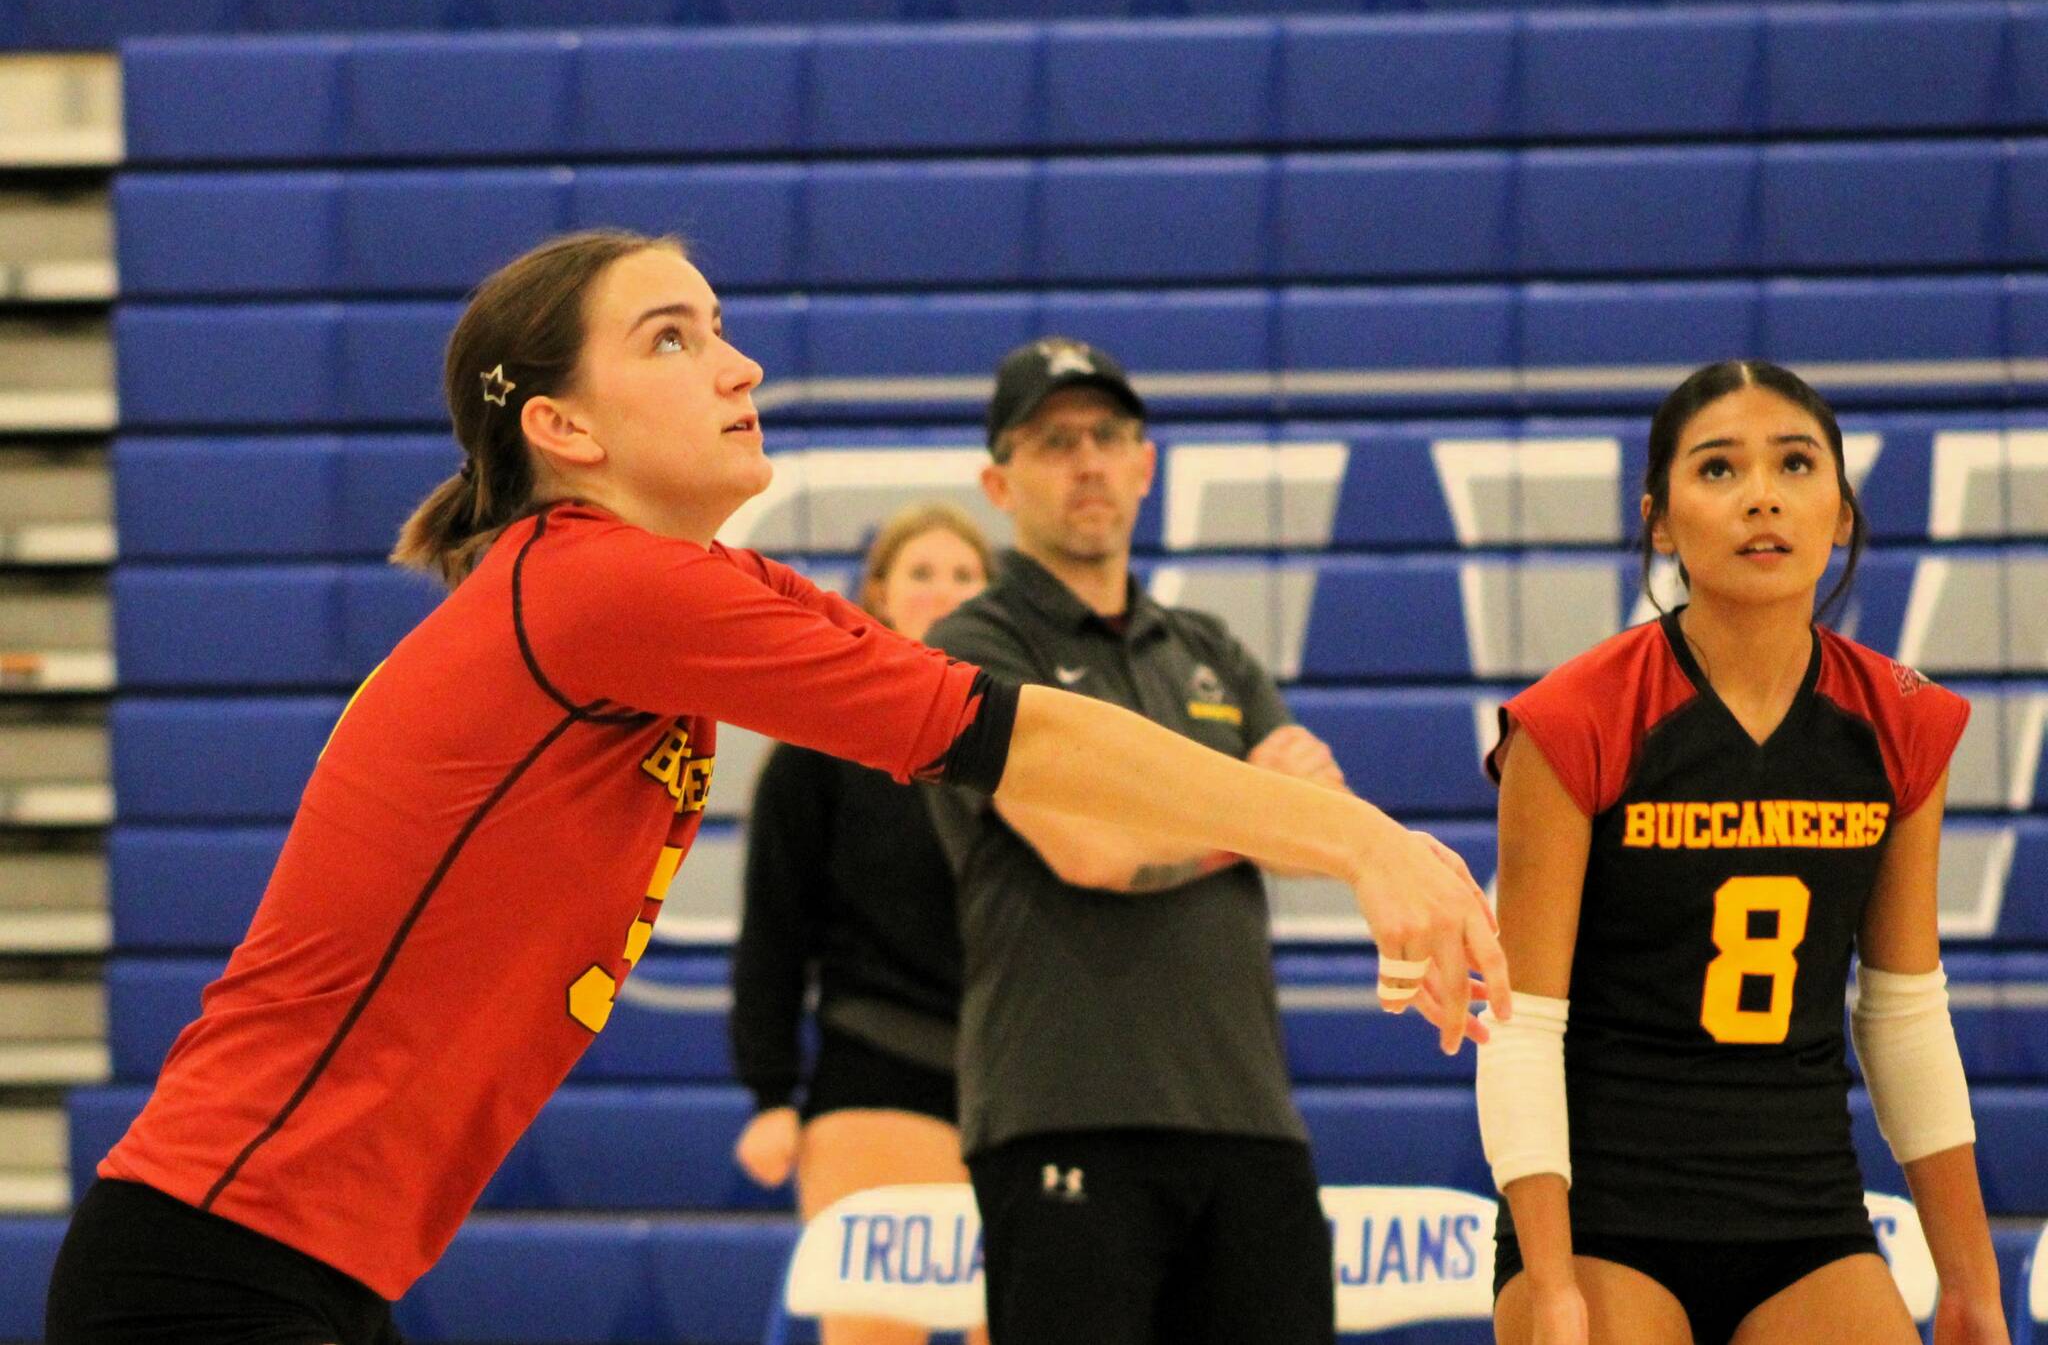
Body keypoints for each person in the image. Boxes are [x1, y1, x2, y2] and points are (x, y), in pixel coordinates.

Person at [42, 231, 1505, 1345]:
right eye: (675, 340)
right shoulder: (594, 585)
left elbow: (1027, 727)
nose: (739, 366)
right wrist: (1369, 842)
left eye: (724, 330)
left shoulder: (679, 588)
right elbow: (1030, 741)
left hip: (291, 1259)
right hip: (215, 1258)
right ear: (566, 430)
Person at [1477, 360, 2007, 1345]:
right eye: (1717, 470)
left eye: (1795, 463)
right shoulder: (1573, 717)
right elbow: (1518, 1024)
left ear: (1838, 512)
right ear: (1660, 521)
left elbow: (1900, 1011)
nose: (1761, 493)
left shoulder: (1898, 722)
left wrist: (1969, 1282)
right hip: (1604, 1215)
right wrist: (1545, 1278)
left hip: (1803, 1211)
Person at [921, 336, 1422, 1345]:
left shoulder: (1208, 648)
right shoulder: (970, 649)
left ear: (1145, 464)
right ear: (997, 480)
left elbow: (1307, 827)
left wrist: (1250, 817)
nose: (1088, 461)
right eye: (1054, 440)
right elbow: (1089, 850)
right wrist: (1250, 803)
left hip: (1245, 1114)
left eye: (1108, 435)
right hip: (1064, 1109)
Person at [730, 499, 994, 1345]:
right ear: (878, 592)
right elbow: (773, 928)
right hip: (876, 1080)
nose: (944, 590)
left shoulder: (1033, 747)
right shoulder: (819, 746)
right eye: (922, 573)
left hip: (1018, 1091)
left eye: (965, 574)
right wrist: (772, 1093)